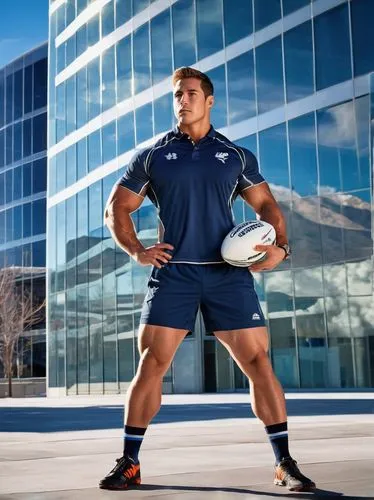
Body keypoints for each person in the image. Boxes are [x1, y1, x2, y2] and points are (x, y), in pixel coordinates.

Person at [99, 67, 316, 492]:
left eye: (192, 93)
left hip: (227, 276)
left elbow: (269, 208)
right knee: (152, 365)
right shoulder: (152, 155)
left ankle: (284, 463)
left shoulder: (235, 155)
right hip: (173, 274)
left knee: (259, 364)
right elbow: (116, 209)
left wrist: (280, 249)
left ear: (209, 100)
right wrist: (137, 251)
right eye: (178, 94)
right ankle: (129, 461)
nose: (183, 100)